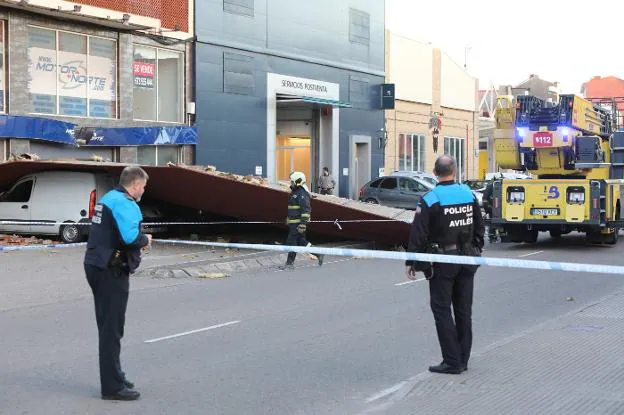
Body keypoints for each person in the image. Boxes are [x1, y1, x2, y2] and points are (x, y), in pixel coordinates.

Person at [405, 155, 485, 374]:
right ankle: (463, 358)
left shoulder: (430, 199)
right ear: (455, 171)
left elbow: (418, 234)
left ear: (434, 172)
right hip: (468, 259)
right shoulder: (467, 194)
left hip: (443, 262)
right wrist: (477, 249)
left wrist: (412, 261)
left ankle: (452, 361)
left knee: (441, 310)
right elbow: (480, 225)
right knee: (463, 311)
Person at [84, 166, 152, 400]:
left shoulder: (108, 197)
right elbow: (130, 237)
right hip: (110, 269)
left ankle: (116, 375)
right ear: (134, 185)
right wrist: (146, 239)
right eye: (143, 186)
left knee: (109, 327)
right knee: (112, 330)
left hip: (96, 265)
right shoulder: (125, 203)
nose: (143, 190)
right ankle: (112, 387)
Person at [280, 171, 324, 270]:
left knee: (292, 242)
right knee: (301, 242)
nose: (291, 184)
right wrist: (289, 218)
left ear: (298, 181)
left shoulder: (302, 193)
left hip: (298, 224)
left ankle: (289, 264)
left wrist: (303, 224)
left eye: (292, 182)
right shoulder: (295, 192)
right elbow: (293, 208)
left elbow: (306, 210)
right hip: (294, 223)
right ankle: (319, 253)